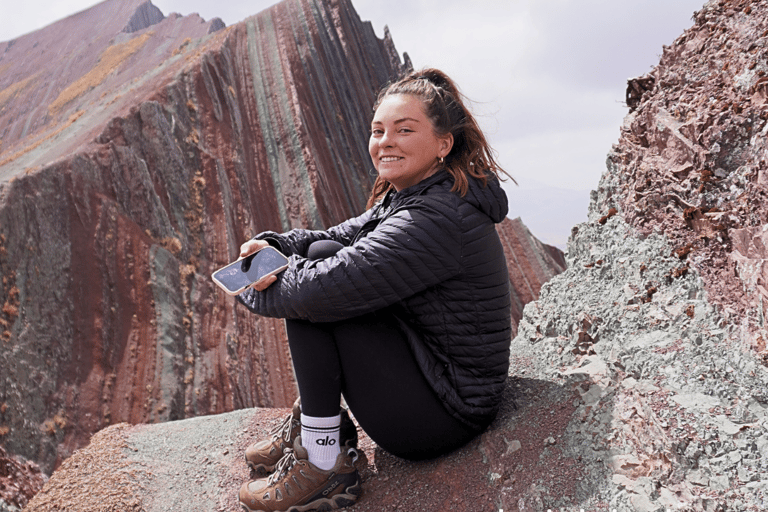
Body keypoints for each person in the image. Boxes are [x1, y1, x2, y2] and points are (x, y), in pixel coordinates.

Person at [235, 68, 513, 512]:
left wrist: (249, 285)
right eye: (378, 130)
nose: (386, 141)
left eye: (405, 130)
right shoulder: (412, 195)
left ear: (444, 143)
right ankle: (316, 426)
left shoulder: (436, 217)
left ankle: (325, 463)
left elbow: (313, 292)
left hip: (444, 414)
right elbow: (332, 237)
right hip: (428, 368)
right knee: (324, 255)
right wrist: (274, 245)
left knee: (318, 292)